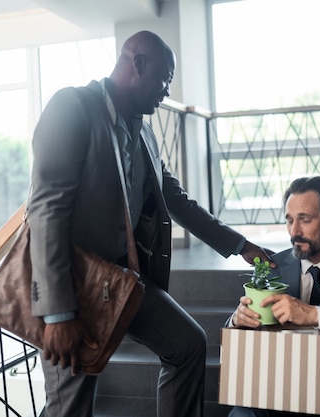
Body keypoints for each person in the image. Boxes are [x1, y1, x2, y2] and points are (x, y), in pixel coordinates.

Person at [26, 30, 274, 417]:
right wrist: (57, 314)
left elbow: (177, 201)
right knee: (69, 409)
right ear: (137, 63)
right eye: (165, 79)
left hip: (124, 282)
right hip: (74, 288)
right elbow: (45, 211)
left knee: (187, 345)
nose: (166, 90)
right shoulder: (72, 106)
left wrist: (241, 245)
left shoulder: (144, 132)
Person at [227, 176, 320, 417]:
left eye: (305, 220)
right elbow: (241, 343)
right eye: (289, 221)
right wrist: (237, 320)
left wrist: (314, 314)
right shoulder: (271, 266)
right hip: (279, 391)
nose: (294, 232)